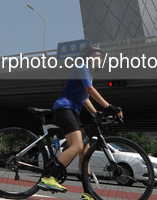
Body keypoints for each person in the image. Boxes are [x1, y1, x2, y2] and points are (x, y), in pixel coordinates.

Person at [38, 45, 123, 196]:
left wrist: (96, 113)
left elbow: (85, 98)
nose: (100, 59)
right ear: (88, 56)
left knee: (85, 150)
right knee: (77, 145)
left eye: (101, 56)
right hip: (64, 108)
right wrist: (110, 107)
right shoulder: (81, 66)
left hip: (72, 111)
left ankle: (88, 193)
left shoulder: (88, 74)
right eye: (97, 55)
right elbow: (89, 90)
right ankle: (49, 177)